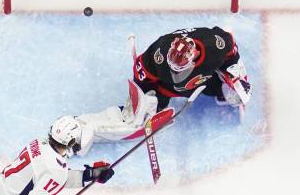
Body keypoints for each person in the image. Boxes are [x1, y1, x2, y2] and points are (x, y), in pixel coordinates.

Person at [74, 26, 252, 156]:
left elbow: (231, 49)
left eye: (179, 69)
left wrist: (236, 76)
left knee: (230, 93)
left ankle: (220, 90)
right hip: (164, 87)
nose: (175, 71)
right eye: (173, 66)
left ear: (194, 57)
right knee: (137, 119)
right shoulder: (160, 52)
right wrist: (143, 96)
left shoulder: (214, 45)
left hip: (201, 81)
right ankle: (83, 128)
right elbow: (140, 71)